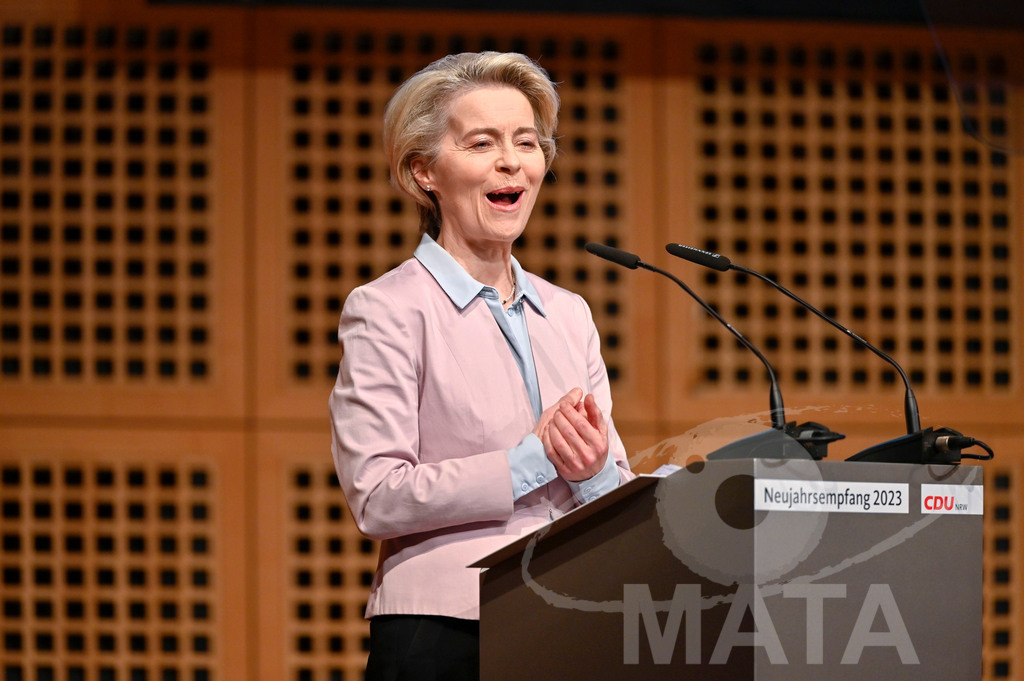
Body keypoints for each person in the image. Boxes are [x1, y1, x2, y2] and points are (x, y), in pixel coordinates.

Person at [329, 51, 634, 681]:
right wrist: (534, 460)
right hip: (445, 630)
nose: (511, 161)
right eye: (482, 142)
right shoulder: (387, 309)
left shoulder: (569, 312)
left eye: (527, 142)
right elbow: (378, 496)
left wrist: (596, 470)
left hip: (571, 615)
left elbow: (614, 484)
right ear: (424, 172)